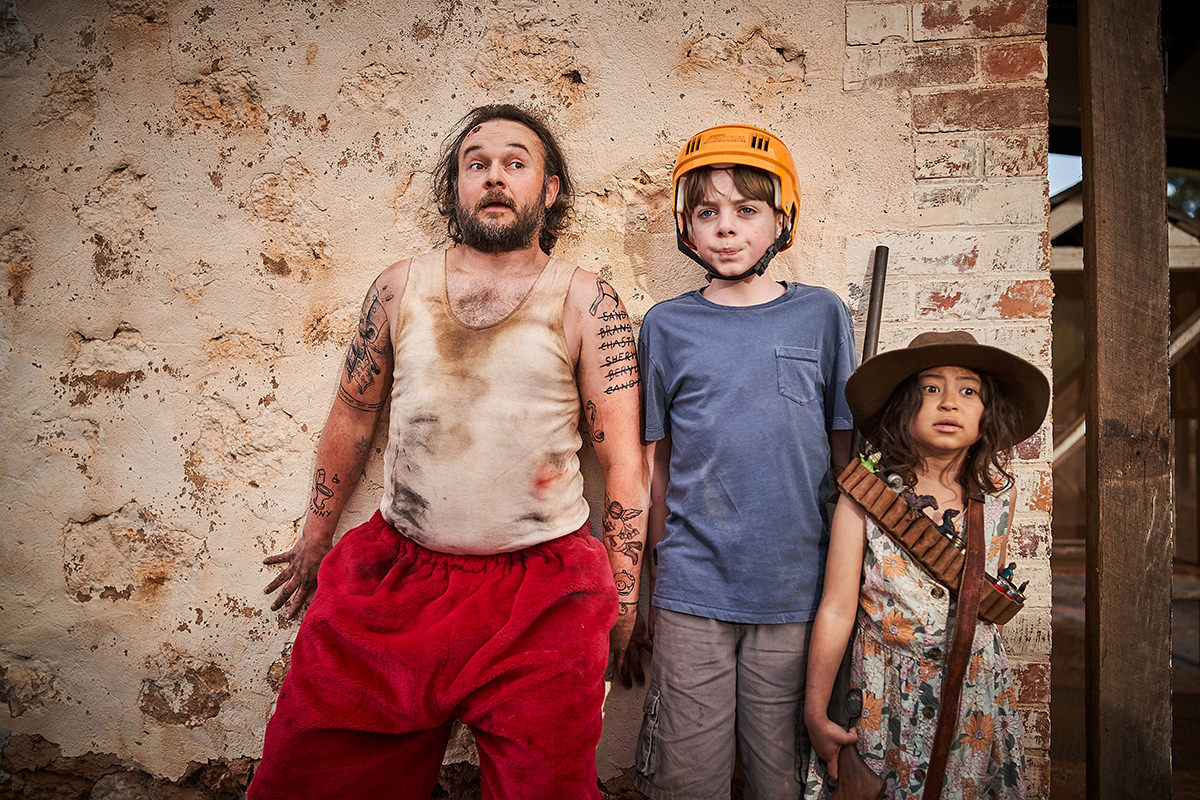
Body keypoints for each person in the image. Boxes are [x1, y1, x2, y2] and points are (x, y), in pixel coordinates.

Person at [249, 104, 648, 800]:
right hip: (398, 580)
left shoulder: (587, 301)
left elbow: (623, 461)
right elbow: (352, 412)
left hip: (544, 595)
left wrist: (623, 594)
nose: (495, 177)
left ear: (548, 190)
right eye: (477, 163)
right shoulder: (400, 288)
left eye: (516, 163)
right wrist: (316, 534)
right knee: (314, 778)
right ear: (454, 189)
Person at [633, 124, 857, 800]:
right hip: (692, 588)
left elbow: (846, 458)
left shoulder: (822, 315)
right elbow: (654, 466)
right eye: (708, 212)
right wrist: (648, 578)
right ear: (686, 226)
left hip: (795, 590)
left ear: (782, 219)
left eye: (746, 210)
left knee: (779, 777)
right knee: (687, 778)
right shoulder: (666, 327)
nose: (726, 229)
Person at [802, 331, 1050, 799]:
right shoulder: (865, 494)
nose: (950, 404)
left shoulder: (999, 495)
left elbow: (979, 595)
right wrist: (817, 712)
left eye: (968, 390)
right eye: (931, 388)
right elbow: (836, 609)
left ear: (987, 412)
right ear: (902, 407)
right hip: (883, 696)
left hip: (972, 693)